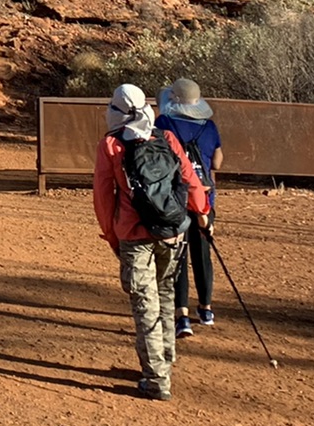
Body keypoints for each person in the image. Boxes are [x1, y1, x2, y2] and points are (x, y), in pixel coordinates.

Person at [94, 83, 210, 401]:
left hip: (134, 236)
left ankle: (156, 378)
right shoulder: (166, 137)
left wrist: (111, 234)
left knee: (146, 305)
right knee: (166, 294)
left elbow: (104, 197)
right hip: (172, 231)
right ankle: (166, 358)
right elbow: (189, 179)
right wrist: (201, 213)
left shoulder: (111, 145)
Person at [157, 78, 223, 339]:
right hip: (205, 200)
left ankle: (181, 314)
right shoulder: (209, 126)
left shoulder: (165, 124)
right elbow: (217, 162)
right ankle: (206, 309)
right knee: (202, 253)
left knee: (179, 255)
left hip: (176, 199)